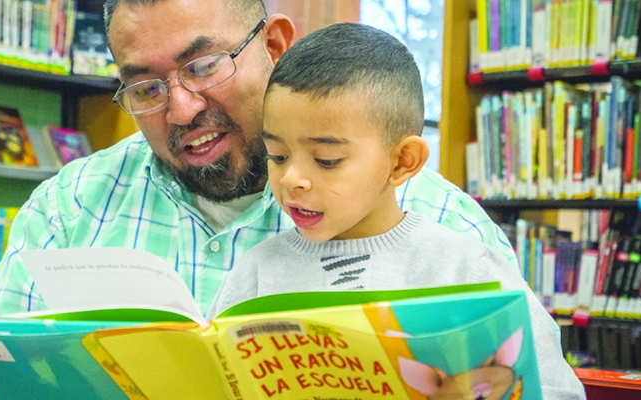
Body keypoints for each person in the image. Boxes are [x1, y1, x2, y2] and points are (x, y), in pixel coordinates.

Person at [0, 0, 519, 398]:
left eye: (204, 65)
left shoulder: (445, 226)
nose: (182, 108)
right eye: (146, 87)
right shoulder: (69, 207)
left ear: (276, 46)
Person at [207, 23, 585, 398]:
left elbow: (557, 390)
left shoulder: (466, 267)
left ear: (403, 161)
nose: (292, 179)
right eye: (278, 156)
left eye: (326, 160)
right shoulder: (255, 275)